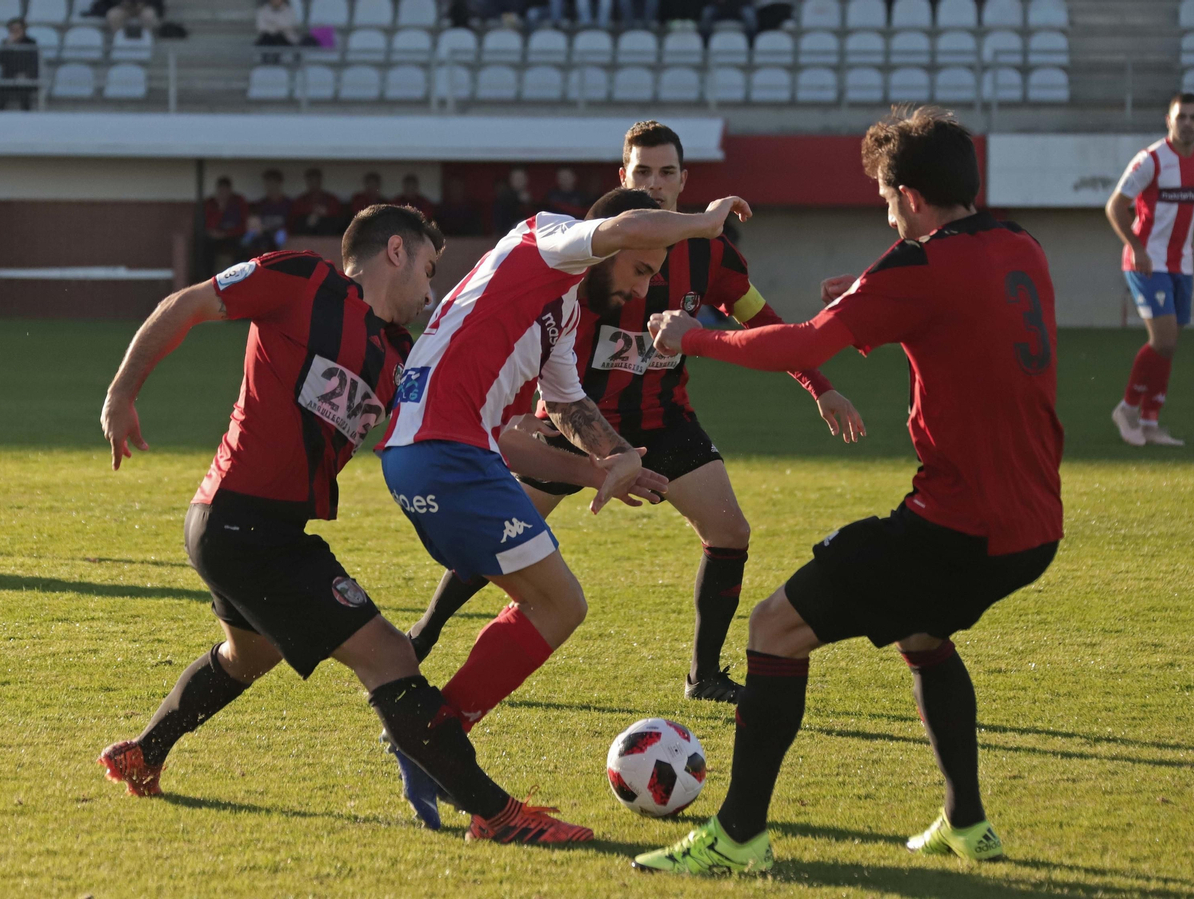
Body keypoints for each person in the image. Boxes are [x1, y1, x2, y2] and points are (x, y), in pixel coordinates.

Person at [632, 106, 1062, 876]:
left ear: (910, 197)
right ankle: (967, 823)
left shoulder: (915, 269)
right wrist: (871, 284)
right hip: (1034, 529)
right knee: (924, 632)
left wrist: (689, 335)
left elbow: (801, 342)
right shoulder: (1021, 244)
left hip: (958, 525)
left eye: (884, 197)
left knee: (773, 628)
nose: (885, 210)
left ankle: (736, 835)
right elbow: (953, 289)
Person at [95, 205, 595, 845]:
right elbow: (187, 304)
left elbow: (482, 437)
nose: (430, 292)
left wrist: (591, 468)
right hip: (241, 523)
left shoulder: (400, 356)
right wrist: (121, 392)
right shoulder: (301, 280)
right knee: (389, 655)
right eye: (428, 271)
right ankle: (498, 817)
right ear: (396, 251)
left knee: (249, 654)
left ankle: (144, 751)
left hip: (247, 531)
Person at [407, 121, 864, 705]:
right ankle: (425, 632)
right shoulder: (591, 250)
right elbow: (542, 340)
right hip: (574, 420)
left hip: (661, 418)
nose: (655, 183)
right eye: (642, 172)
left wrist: (819, 384)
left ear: (683, 180)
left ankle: (703, 676)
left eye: (666, 172)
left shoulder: (711, 255)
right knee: (501, 532)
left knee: (730, 531)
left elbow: (762, 321)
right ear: (623, 179)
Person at [378, 186, 754, 828]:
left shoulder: (562, 312)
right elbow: (622, 224)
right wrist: (702, 222)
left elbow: (568, 407)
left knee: (553, 602)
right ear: (614, 243)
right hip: (445, 450)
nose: (641, 293)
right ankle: (437, 740)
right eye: (641, 270)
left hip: (439, 453)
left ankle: (435, 737)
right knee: (558, 604)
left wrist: (609, 463)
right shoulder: (545, 239)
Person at [1105, 92, 1194, 448]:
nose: (1188, 123)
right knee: (1163, 340)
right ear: (1169, 120)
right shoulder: (1150, 160)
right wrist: (1137, 247)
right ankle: (1127, 409)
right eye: (1182, 117)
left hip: (1182, 263)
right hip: (1146, 262)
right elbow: (1115, 207)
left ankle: (1150, 423)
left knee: (1170, 346)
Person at [203, 176, 252, 269]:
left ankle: (240, 274)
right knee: (205, 246)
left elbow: (243, 226)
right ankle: (207, 277)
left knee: (244, 245)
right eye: (221, 190)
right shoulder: (211, 203)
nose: (223, 193)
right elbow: (209, 225)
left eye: (226, 190)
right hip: (216, 238)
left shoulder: (239, 202)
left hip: (234, 236)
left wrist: (227, 233)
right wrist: (220, 210)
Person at [0, 18, 40, 110]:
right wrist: (8, 46)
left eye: (18, 29)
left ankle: (26, 118)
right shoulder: (6, 42)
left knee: (24, 92)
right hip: (9, 76)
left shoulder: (30, 43)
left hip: (25, 76)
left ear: (23, 30)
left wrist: (26, 75)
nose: (15, 32)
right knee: (0, 92)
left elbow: (33, 62)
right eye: (13, 30)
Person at [289, 168, 346, 236]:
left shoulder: (331, 199)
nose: (314, 184)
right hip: (306, 233)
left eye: (316, 181)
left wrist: (325, 213)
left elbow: (339, 217)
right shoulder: (300, 200)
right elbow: (294, 221)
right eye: (311, 181)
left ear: (320, 181)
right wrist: (310, 216)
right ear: (307, 182)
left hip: (327, 232)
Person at [491, 167, 535, 233]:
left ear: (527, 179)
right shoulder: (503, 201)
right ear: (510, 180)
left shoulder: (533, 199)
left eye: (521, 178)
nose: (519, 181)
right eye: (516, 178)